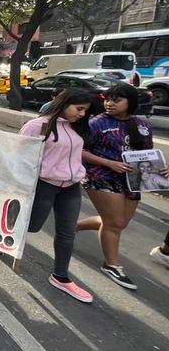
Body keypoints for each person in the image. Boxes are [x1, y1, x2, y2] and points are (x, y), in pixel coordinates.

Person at [77, 83, 168, 290]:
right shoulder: (96, 123)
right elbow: (78, 150)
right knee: (115, 222)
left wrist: (162, 169)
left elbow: (148, 152)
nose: (109, 103)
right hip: (100, 176)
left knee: (117, 223)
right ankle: (112, 265)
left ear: (130, 102)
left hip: (133, 179)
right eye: (107, 99)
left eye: (116, 100)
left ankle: (72, 227)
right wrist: (109, 163)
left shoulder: (142, 125)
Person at [19, 89, 94, 303]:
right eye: (78, 109)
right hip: (44, 185)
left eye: (85, 111)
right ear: (63, 104)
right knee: (31, 226)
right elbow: (19, 155)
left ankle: (60, 275)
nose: (81, 114)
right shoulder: (37, 126)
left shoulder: (77, 127)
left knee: (67, 232)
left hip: (71, 187)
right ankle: (7, 240)